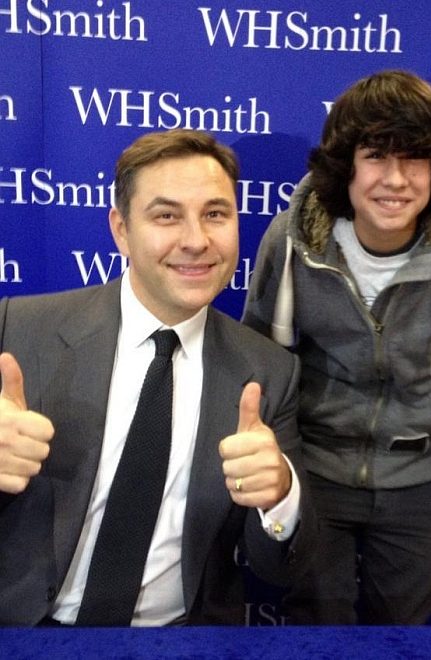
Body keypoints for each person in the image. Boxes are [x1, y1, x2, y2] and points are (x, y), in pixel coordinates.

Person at [0, 128, 315, 627]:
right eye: (166, 215)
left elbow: (282, 569)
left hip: (180, 639)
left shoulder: (269, 371)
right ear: (121, 229)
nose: (196, 240)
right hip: (25, 631)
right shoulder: (17, 328)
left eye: (215, 214)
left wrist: (279, 496)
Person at [242, 69, 431, 625]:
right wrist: (287, 472)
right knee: (317, 628)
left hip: (423, 483)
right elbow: (261, 366)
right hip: (315, 475)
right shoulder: (290, 240)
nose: (396, 179)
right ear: (346, 165)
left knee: (404, 635)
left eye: (413, 158)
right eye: (376, 156)